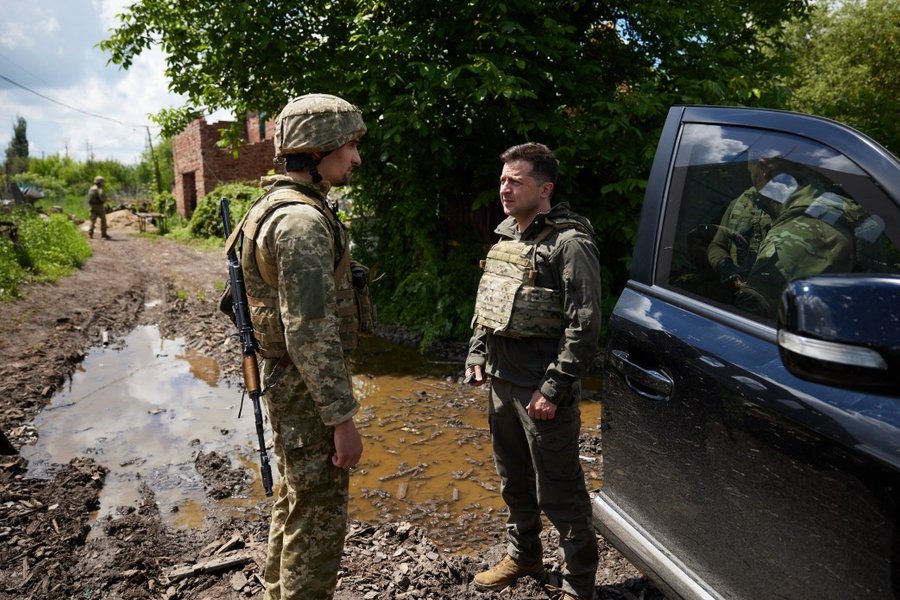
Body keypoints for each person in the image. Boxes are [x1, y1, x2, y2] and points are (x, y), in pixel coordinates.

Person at [227, 93, 372, 600]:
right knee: (318, 518)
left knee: (295, 498)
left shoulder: (275, 206)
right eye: (350, 145)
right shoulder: (301, 223)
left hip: (290, 385)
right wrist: (342, 420)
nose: (356, 157)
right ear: (319, 148)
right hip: (307, 391)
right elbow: (309, 331)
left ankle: (276, 591)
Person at [464, 143, 602, 600]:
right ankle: (524, 555)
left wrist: (554, 387)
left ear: (544, 189)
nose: (505, 187)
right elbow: (491, 304)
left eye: (516, 180)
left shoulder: (570, 244)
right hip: (502, 385)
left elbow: (584, 325)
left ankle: (581, 585)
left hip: (542, 393)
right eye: (503, 179)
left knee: (560, 493)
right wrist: (477, 353)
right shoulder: (507, 235)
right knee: (513, 481)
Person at [734, 155, 869, 319]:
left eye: (752, 176)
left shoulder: (794, 236)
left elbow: (748, 323)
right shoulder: (841, 208)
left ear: (764, 169)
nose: (754, 189)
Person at [87, 175, 111, 239]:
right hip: (99, 206)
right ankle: (104, 234)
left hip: (92, 206)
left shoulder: (91, 188)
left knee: (92, 220)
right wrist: (106, 200)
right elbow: (101, 198)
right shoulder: (99, 189)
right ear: (101, 182)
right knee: (103, 220)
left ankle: (90, 233)